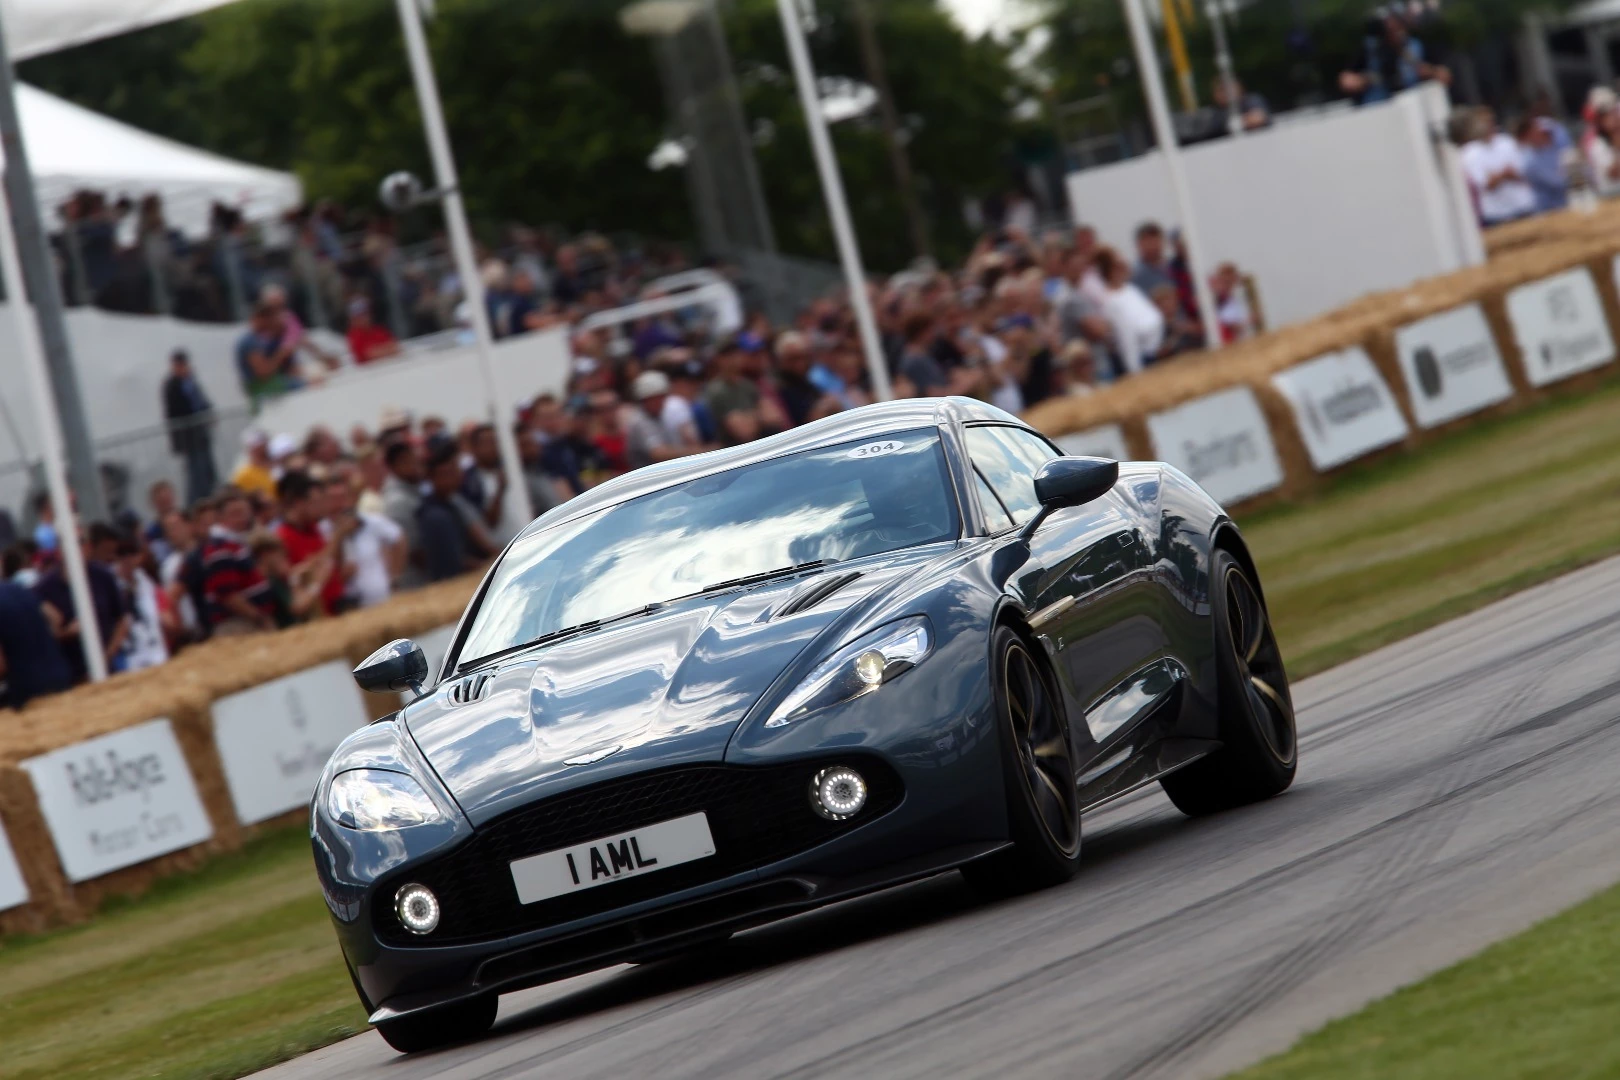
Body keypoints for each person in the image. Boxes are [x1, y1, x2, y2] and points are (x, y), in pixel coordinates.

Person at [34, 522, 130, 684]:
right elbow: (38, 640)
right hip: (71, 677)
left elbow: (122, 620)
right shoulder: (43, 589)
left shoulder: (103, 576)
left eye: (82, 542)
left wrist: (105, 659)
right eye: (74, 542)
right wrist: (65, 633)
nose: (80, 548)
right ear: (59, 550)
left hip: (107, 671)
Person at [200, 489, 274, 634]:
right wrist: (259, 617)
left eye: (244, 512)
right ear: (221, 518)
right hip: (239, 624)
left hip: (249, 621)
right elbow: (228, 595)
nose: (242, 518)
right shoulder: (219, 548)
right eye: (235, 514)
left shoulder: (237, 543)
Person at [1338, 10, 1450, 106]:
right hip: (1378, 108)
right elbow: (1345, 80)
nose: (1395, 31)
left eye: (1398, 26)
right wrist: (1362, 80)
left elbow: (1445, 76)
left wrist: (1430, 72)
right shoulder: (1370, 50)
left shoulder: (1417, 47)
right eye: (1389, 28)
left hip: (1412, 108)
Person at [417, 442, 488, 581]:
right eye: (446, 474)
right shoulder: (435, 516)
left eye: (454, 471)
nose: (454, 477)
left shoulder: (454, 502)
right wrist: (488, 567)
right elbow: (454, 559)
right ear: (432, 479)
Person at [0, 577, 73, 707]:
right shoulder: (19, 589)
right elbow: (56, 617)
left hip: (26, 692)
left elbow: (1, 666)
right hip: (59, 674)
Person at [1095, 247, 1165, 375]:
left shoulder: (1129, 289)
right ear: (1111, 270)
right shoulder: (1111, 301)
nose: (1125, 267)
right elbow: (1126, 338)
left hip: (1155, 352)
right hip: (1142, 361)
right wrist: (1136, 372)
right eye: (1120, 265)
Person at [1460, 108, 1536, 227]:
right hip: (1496, 214)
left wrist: (1498, 176)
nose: (1488, 127)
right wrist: (1504, 174)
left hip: (1522, 207)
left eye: (1490, 122)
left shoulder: (1507, 142)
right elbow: (1486, 184)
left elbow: (1522, 173)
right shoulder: (1469, 153)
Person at [162, 349, 218, 505]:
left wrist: (208, 413)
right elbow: (174, 411)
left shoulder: (191, 381)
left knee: (207, 468)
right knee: (196, 470)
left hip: (200, 431)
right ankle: (197, 501)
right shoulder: (172, 385)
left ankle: (209, 496)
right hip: (188, 436)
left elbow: (200, 400)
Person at [459, 423, 522, 545]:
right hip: (504, 548)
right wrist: (500, 491)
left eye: (495, 441)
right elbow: (487, 523)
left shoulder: (511, 469)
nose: (493, 447)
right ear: (474, 448)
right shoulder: (470, 481)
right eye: (487, 443)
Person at [235, 300, 303, 400]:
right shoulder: (250, 342)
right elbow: (264, 373)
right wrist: (281, 354)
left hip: (269, 384)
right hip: (261, 389)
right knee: (302, 385)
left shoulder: (261, 340)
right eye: (270, 319)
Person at [1517, 115, 1568, 214]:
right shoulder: (1529, 162)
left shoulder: (1553, 148)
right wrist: (1574, 175)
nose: (1541, 134)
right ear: (1529, 136)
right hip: (1548, 212)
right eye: (1536, 132)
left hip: (1565, 206)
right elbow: (1557, 183)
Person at [346, 297, 401, 364]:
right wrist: (385, 350)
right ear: (353, 319)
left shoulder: (378, 329)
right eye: (360, 316)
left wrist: (382, 350)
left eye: (365, 313)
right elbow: (369, 354)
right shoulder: (354, 336)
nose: (365, 318)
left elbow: (395, 346)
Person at [232, 429, 278, 501]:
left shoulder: (279, 465)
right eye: (256, 448)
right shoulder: (243, 475)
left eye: (263, 446)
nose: (261, 451)